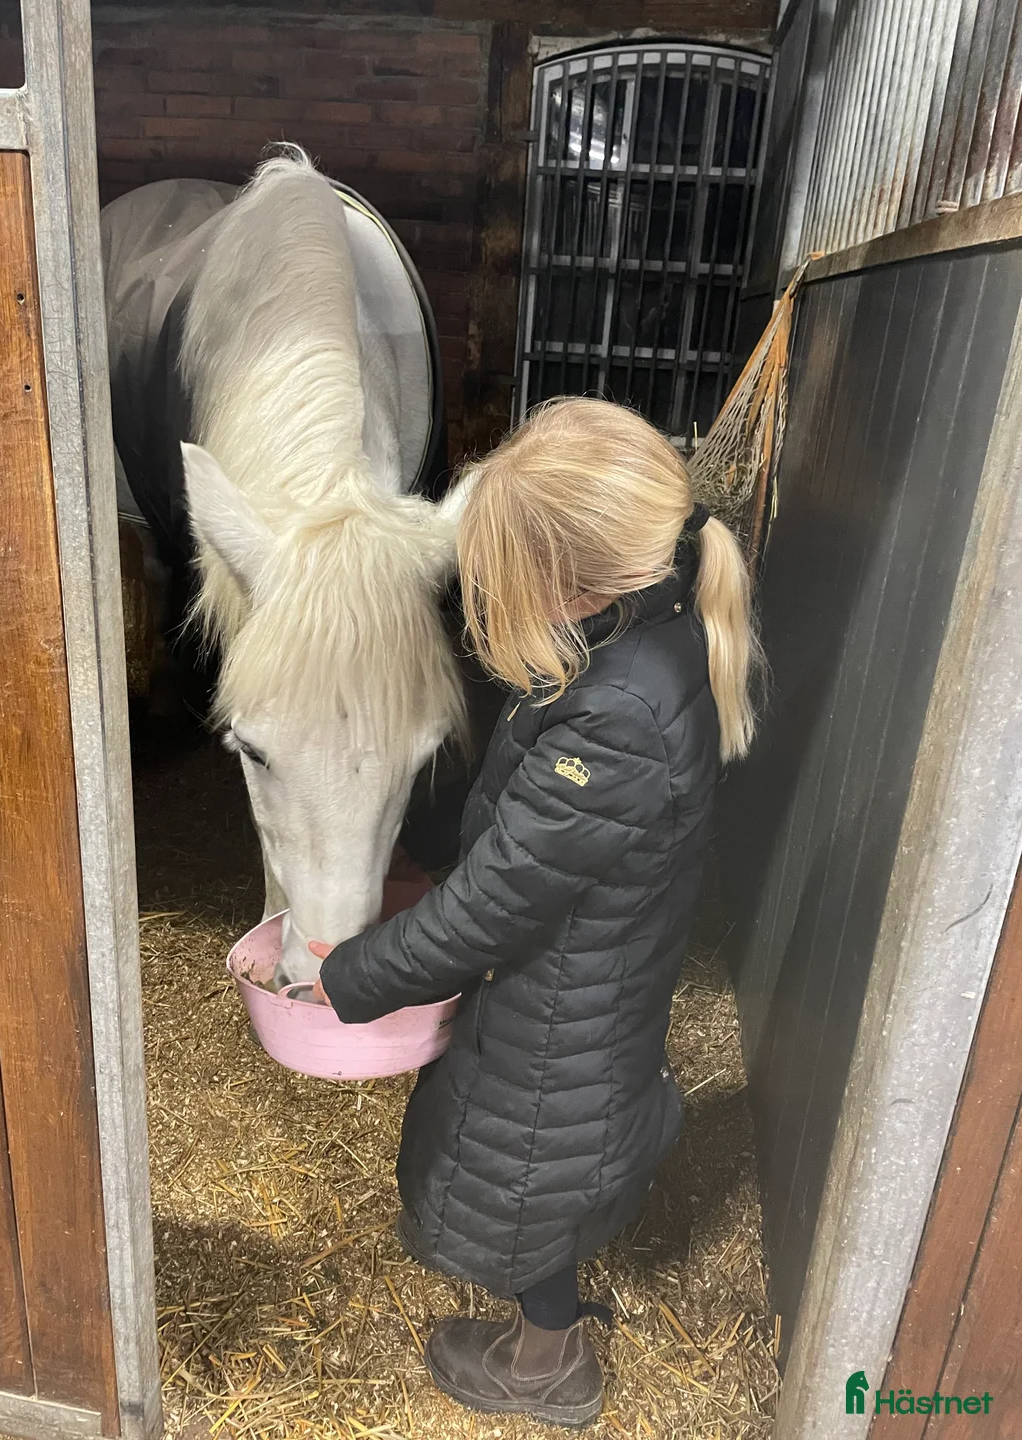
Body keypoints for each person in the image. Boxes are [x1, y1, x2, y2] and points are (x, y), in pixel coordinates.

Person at [308, 396, 760, 1427]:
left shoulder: (614, 721)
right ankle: (543, 1333)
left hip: (563, 1019)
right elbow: (541, 849)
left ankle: (549, 1366)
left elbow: (490, 912)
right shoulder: (660, 628)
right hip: (599, 984)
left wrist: (347, 976)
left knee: (522, 1184)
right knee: (539, 1181)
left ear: (569, 575)